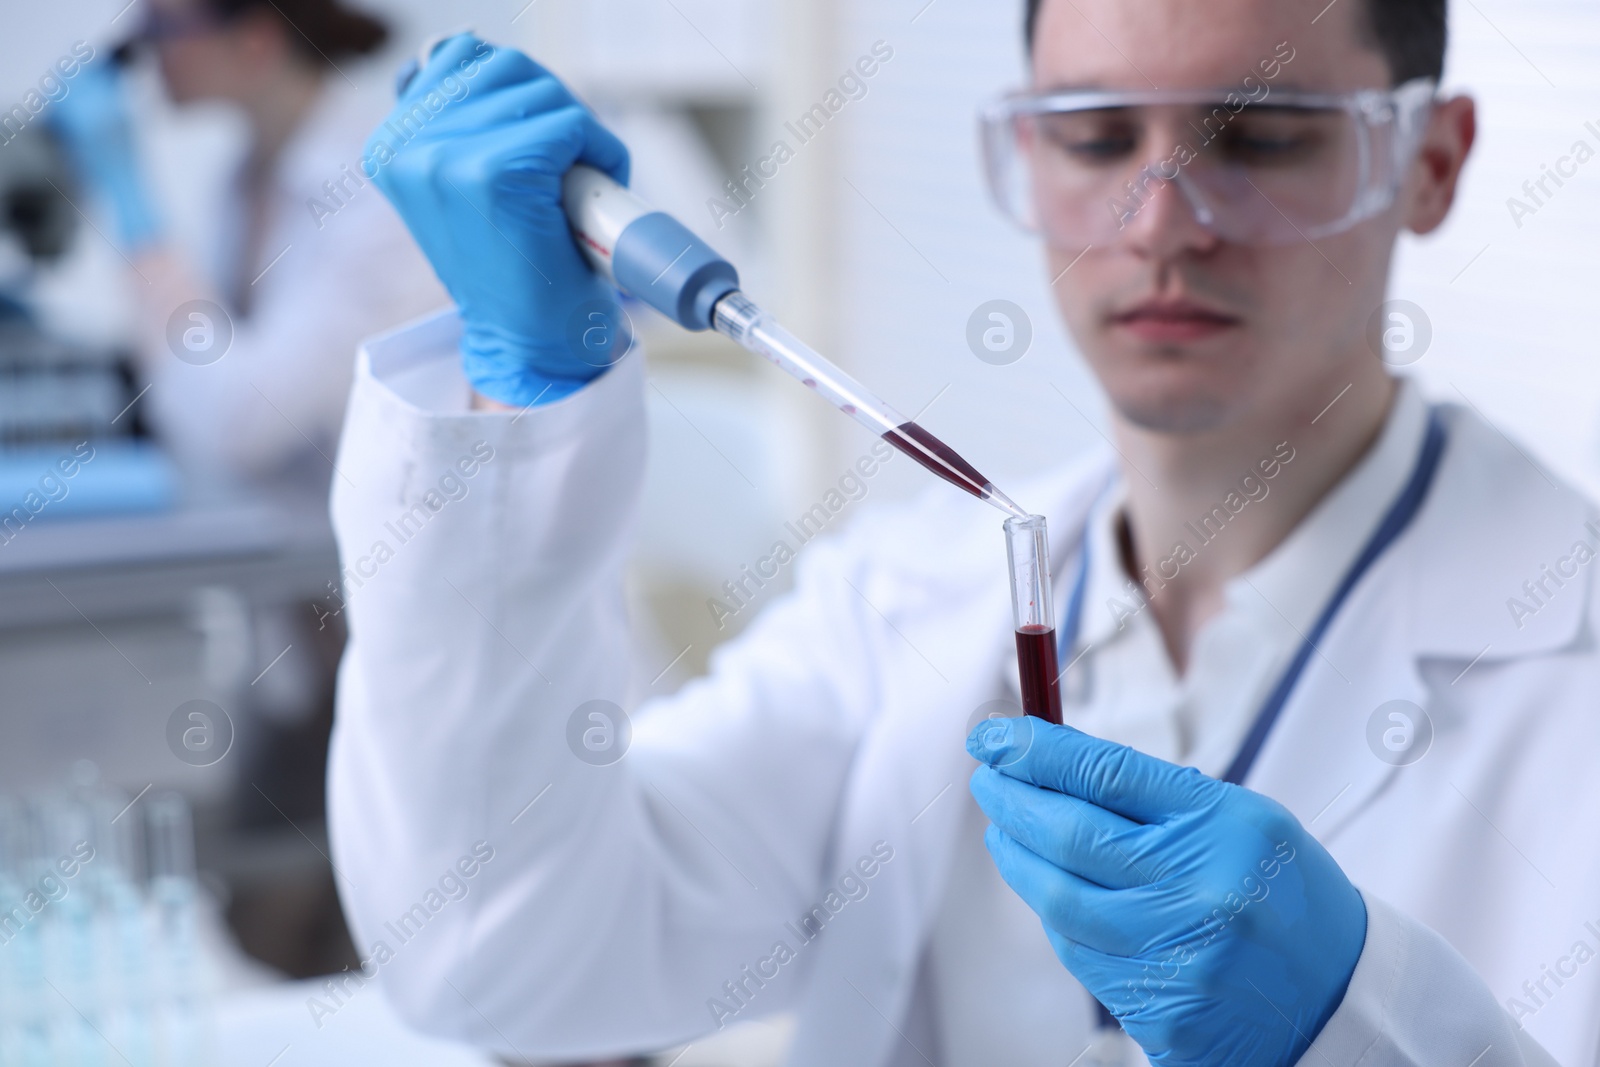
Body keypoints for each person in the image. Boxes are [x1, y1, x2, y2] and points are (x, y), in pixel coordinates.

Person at [324, 3, 1600, 1066]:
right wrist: (518, 405)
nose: (1158, 221)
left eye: (1261, 138)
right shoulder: (897, 607)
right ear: (1027, 163)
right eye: (1095, 138)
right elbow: (503, 956)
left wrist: (1360, 1024)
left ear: (1428, 162)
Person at [49, 0, 444, 494]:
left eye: (163, 26)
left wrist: (135, 214)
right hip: (280, 535)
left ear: (255, 40)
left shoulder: (375, 194)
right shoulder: (242, 178)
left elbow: (243, 422)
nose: (146, 52)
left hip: (371, 533)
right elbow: (195, 395)